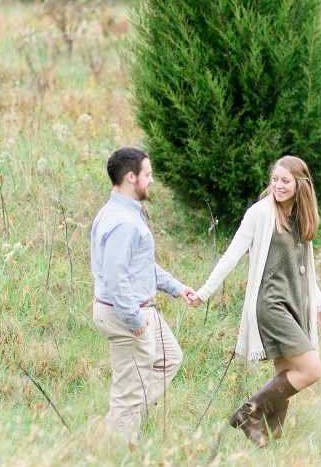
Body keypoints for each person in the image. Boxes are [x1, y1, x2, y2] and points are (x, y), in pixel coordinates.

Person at [188, 155, 321, 447]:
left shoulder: (300, 217)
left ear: (300, 184)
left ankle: (267, 441)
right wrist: (204, 291)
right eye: (275, 180)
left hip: (295, 304)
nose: (278, 186)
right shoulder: (260, 213)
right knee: (311, 370)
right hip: (271, 304)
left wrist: (320, 304)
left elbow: (303, 270)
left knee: (285, 373)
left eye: (285, 181)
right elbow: (232, 255)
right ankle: (248, 412)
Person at [90, 147, 197, 440]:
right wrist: (135, 321)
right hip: (125, 312)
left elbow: (140, 266)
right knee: (129, 390)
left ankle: (117, 423)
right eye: (147, 175)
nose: (151, 180)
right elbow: (116, 279)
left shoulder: (120, 212)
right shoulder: (123, 222)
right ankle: (115, 446)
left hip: (136, 308)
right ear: (130, 177)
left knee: (170, 357)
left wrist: (176, 288)